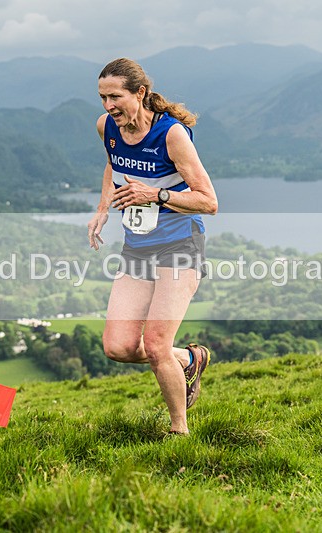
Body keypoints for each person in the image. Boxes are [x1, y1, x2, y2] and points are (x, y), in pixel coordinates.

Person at [87, 58, 218, 435]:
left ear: (140, 93)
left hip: (180, 244)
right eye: (102, 98)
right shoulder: (107, 127)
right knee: (119, 346)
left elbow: (208, 201)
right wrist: (101, 210)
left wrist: (156, 194)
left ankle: (179, 431)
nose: (109, 106)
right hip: (138, 247)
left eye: (116, 97)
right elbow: (114, 165)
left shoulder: (171, 134)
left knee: (157, 345)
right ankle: (189, 359)